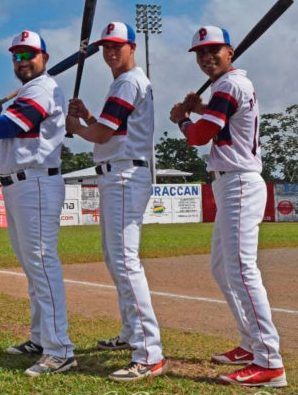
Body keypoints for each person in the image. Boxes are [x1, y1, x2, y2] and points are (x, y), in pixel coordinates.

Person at [169, 26, 287, 388]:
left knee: (240, 269)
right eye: (200, 53)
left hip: (238, 180)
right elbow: (223, 125)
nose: (207, 57)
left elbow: (199, 137)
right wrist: (201, 108)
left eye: (214, 50)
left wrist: (183, 119)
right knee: (222, 267)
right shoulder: (229, 88)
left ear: (230, 51)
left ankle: (270, 361)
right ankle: (251, 343)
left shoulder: (229, 85)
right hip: (231, 181)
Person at [0, 30, 76, 377]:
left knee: (43, 265)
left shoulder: (42, 89)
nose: (24, 61)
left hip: (37, 181)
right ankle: (41, 338)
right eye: (17, 56)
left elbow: (4, 127)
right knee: (33, 268)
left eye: (30, 55)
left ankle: (60, 349)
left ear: (44, 58)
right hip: (20, 184)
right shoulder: (30, 90)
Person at [65, 22, 166, 382]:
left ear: (132, 47)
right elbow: (110, 130)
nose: (110, 53)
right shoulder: (124, 83)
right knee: (116, 257)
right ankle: (130, 332)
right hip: (119, 171)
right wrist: (87, 117)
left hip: (125, 174)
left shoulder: (127, 82)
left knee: (124, 260)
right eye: (106, 47)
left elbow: (102, 134)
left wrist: (75, 126)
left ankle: (149, 352)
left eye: (116, 46)